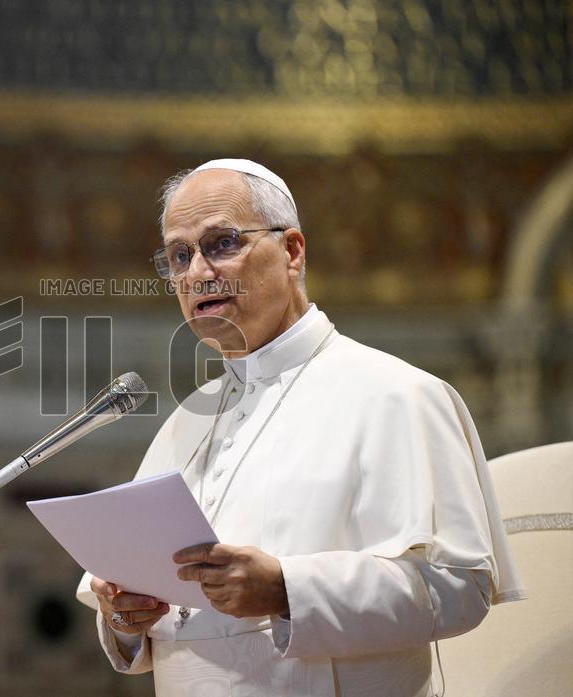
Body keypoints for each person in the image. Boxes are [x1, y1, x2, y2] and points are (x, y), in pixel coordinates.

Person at [75, 159, 525, 697]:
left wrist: (287, 589)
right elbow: (149, 615)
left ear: (292, 252)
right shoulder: (185, 423)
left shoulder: (397, 394)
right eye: (179, 255)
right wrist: (124, 615)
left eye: (221, 243)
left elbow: (460, 587)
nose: (196, 272)